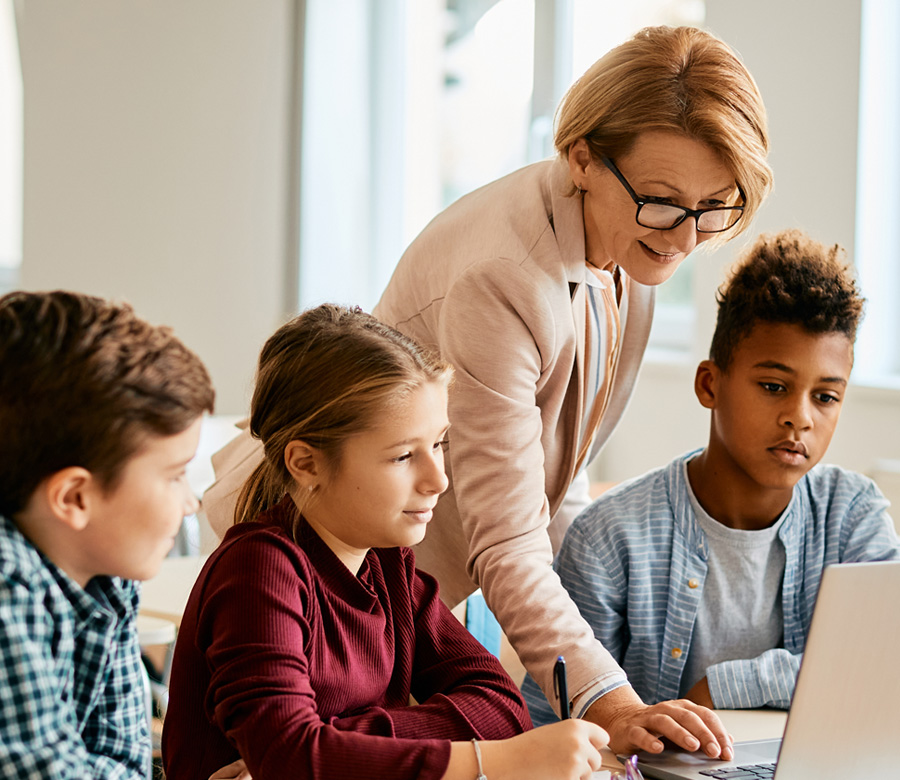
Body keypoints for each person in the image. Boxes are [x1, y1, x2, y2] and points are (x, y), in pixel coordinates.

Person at [202, 25, 774, 756]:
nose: (686, 237)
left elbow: (554, 492)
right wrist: (608, 699)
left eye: (714, 206)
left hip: (405, 584)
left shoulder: (636, 246)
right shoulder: (505, 275)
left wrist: (610, 687)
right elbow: (508, 537)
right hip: (316, 566)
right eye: (663, 201)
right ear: (582, 158)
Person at [162, 304, 609, 780]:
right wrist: (491, 761)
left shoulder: (388, 565)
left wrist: (335, 743)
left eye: (438, 444)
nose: (438, 479)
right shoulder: (259, 570)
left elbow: (500, 706)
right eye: (402, 456)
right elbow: (289, 756)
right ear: (306, 463)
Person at [522, 229, 900, 724]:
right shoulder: (611, 538)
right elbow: (548, 723)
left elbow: (883, 662)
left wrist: (724, 687)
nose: (800, 417)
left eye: (825, 397)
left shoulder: (851, 515)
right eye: (773, 386)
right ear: (709, 384)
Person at [0, 290, 215, 778]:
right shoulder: (7, 588)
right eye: (176, 474)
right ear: (75, 498)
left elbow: (124, 760)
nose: (192, 502)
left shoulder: (108, 573)